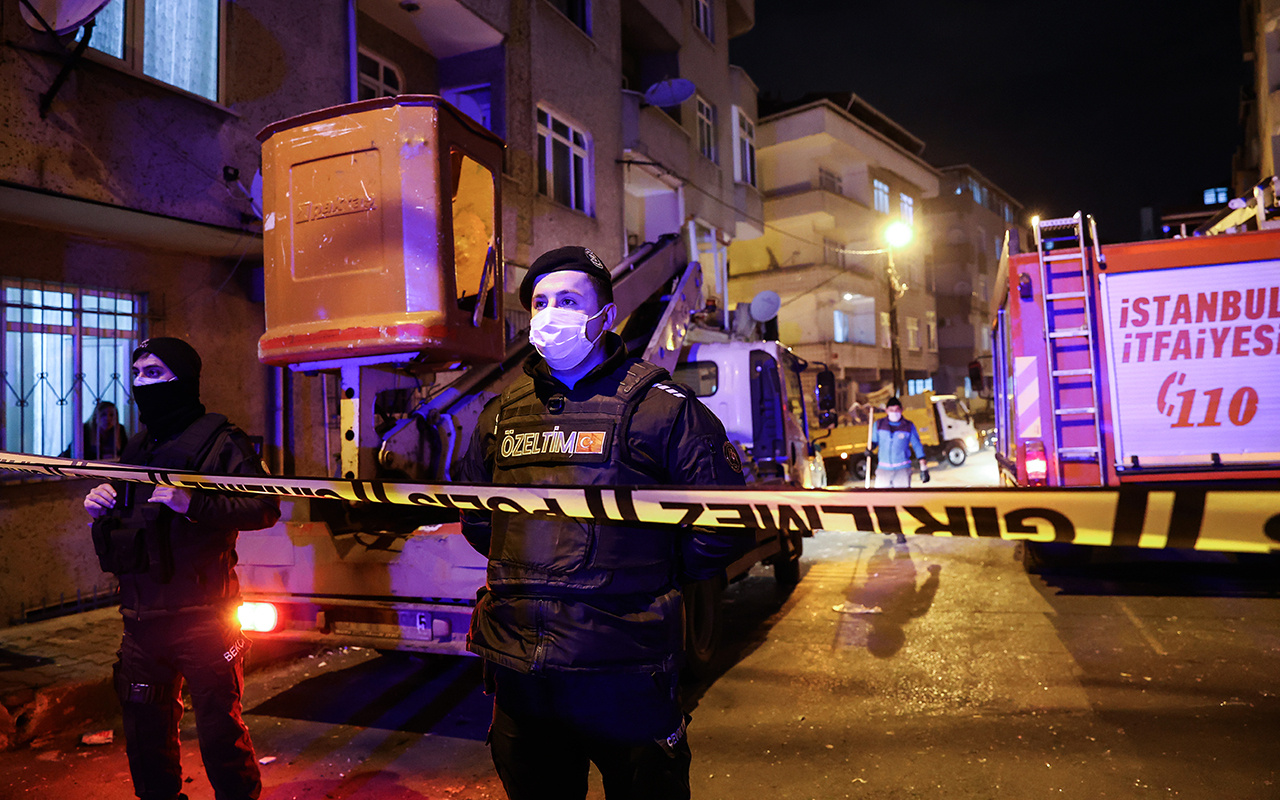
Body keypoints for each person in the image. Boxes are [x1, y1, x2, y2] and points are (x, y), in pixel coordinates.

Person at [456, 246, 750, 800]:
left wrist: (645, 574)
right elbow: (479, 521)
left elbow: (722, 526)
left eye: (568, 300)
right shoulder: (501, 414)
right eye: (541, 302)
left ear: (605, 317)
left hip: (624, 673)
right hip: (523, 678)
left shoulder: (663, 407)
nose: (550, 313)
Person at [82, 337, 279, 800]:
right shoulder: (137, 446)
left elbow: (264, 508)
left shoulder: (220, 443)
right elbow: (130, 522)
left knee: (219, 735)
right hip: (142, 621)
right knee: (146, 739)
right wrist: (99, 505)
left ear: (183, 379)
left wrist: (195, 503)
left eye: (155, 373)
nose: (142, 383)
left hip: (205, 619)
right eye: (137, 374)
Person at [867, 396, 929, 488]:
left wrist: (923, 467)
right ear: (886, 411)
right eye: (891, 410)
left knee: (902, 500)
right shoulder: (879, 424)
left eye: (897, 410)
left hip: (902, 470)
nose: (894, 412)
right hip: (883, 470)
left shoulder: (908, 426)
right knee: (881, 500)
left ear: (902, 410)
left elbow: (917, 445)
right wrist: (870, 448)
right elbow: (874, 442)